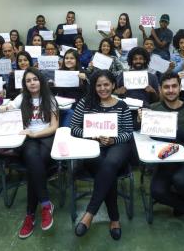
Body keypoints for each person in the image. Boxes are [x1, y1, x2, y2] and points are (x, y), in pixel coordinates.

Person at [71, 70, 133, 240]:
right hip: (92, 146)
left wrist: (114, 140)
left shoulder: (122, 106)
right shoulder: (86, 103)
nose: (103, 88)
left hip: (117, 145)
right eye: (98, 85)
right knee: (107, 172)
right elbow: (74, 129)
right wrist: (91, 135)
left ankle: (89, 214)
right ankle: (114, 219)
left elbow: (128, 132)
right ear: (94, 86)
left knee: (110, 163)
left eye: (106, 84)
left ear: (113, 85)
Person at [137, 72, 184, 227]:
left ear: (180, 88)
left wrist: (178, 132)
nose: (171, 90)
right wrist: (140, 120)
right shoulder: (154, 108)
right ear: (160, 89)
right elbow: (142, 134)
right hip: (166, 155)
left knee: (180, 180)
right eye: (166, 87)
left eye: (174, 86)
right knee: (157, 191)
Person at [0, 67, 58, 238]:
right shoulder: (21, 98)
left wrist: (35, 133)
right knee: (33, 157)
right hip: (26, 139)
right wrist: (3, 108)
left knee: (34, 165)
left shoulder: (50, 99)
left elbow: (54, 127)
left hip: (46, 137)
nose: (32, 83)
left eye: (35, 79)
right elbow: (7, 108)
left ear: (41, 81)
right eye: (28, 80)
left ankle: (30, 215)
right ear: (24, 84)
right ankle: (45, 205)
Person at [53, 49, 88, 126]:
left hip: (77, 106)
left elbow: (88, 92)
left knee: (70, 114)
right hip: (61, 105)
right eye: (66, 58)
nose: (68, 60)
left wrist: (85, 80)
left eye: (72, 58)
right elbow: (55, 93)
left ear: (76, 60)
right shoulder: (59, 72)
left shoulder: (83, 74)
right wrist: (54, 85)